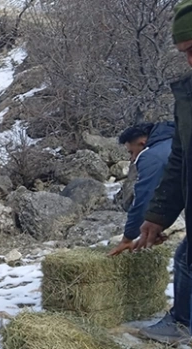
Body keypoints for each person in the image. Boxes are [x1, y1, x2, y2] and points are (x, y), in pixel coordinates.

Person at [134, 0, 192, 344]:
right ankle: (182, 322)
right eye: (185, 52)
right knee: (186, 256)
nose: (190, 61)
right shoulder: (186, 95)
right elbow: (180, 160)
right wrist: (157, 216)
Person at [107, 122, 186, 342]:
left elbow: (145, 200)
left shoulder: (152, 156)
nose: (132, 159)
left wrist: (128, 236)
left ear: (142, 142)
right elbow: (177, 192)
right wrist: (160, 224)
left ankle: (182, 325)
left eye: (132, 152)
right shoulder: (176, 141)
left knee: (185, 259)